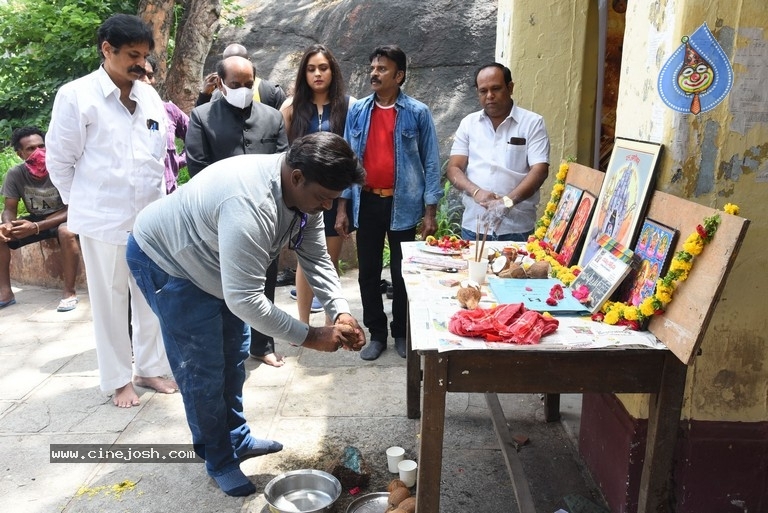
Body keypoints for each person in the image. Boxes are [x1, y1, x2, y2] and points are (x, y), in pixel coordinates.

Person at [126, 131, 367, 496]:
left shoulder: (308, 196)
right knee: (203, 370)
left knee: (232, 356)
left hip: (217, 266)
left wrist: (339, 311)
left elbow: (316, 255)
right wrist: (311, 335)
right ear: (297, 176)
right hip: (169, 261)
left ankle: (236, 438)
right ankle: (219, 459)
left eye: (331, 201)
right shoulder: (250, 201)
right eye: (322, 199)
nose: (324, 207)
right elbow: (244, 298)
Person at [45, 14, 177, 407]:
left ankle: (149, 368)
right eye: (133, 55)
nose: (141, 63)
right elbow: (60, 163)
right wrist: (87, 203)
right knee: (110, 301)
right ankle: (119, 379)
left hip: (150, 219)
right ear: (107, 50)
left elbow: (157, 156)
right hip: (102, 221)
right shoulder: (76, 96)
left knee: (151, 296)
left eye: (145, 55)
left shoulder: (149, 96)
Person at [338, 45, 442, 360]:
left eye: (383, 69)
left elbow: (432, 162)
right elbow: (346, 158)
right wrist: (342, 207)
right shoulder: (358, 111)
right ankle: (377, 334)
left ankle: (400, 332)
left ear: (399, 75)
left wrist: (430, 211)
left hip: (404, 205)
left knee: (402, 273)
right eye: (373, 67)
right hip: (366, 202)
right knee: (368, 271)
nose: (375, 73)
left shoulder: (418, 112)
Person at [186, 54, 289, 367]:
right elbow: (197, 167)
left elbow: (284, 163)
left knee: (265, 283)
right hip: (219, 219)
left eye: (248, 84)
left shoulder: (273, 117)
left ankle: (262, 344)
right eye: (235, 85)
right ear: (220, 83)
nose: (243, 90)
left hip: (263, 218)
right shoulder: (202, 117)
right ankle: (223, 348)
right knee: (219, 286)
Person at [280, 44, 355, 324]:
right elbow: (281, 154)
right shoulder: (291, 107)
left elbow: (355, 152)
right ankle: (302, 323)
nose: (318, 74)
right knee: (305, 260)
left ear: (332, 71)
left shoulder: (349, 106)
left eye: (323, 68)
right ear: (304, 74)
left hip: (335, 194)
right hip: (302, 195)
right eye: (311, 69)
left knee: (329, 260)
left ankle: (330, 320)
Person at [445, 63, 550, 242]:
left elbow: (540, 170)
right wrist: (476, 192)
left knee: (513, 271)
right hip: (474, 226)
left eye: (496, 89)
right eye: (483, 91)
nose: (490, 96)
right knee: (473, 271)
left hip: (517, 229)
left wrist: (506, 202)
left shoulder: (532, 123)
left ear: (510, 88)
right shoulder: (469, 123)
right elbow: (454, 168)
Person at [1, 127, 81, 311]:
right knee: (0, 235)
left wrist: (37, 226)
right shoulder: (16, 174)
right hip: (35, 221)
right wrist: (7, 225)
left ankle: (69, 292)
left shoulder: (62, 170)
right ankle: (5, 292)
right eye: (30, 148)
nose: (38, 152)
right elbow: (9, 208)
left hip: (63, 217)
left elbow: (75, 207)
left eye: (42, 146)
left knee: (66, 232)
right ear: (20, 154)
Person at [139, 56, 189, 194]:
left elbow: (196, 135)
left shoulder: (168, 110)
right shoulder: (119, 115)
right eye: (140, 76)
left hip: (169, 196)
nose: (147, 81)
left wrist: (177, 161)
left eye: (150, 76)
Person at [195, 43, 286, 110]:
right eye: (235, 85)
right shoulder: (217, 94)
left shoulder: (272, 92)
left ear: (249, 62)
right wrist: (204, 95)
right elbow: (203, 122)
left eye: (248, 85)